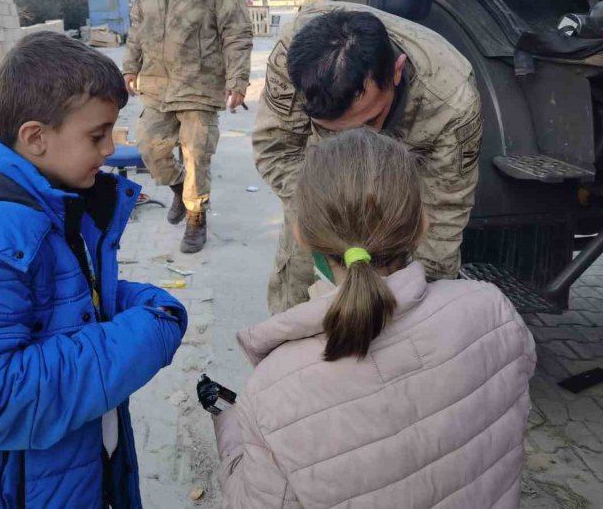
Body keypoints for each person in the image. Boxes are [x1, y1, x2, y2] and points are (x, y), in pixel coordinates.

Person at [0, 32, 188, 508]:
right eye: (97, 135)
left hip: (62, 477)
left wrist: (135, 301)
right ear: (35, 138)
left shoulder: (52, 205)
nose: (111, 149)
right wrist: (145, 333)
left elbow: (63, 300)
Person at [213, 129, 536, 508]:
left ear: (301, 235)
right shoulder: (493, 311)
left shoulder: (273, 391)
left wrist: (231, 429)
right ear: (422, 226)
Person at [253, 3, 482, 313]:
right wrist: (323, 219)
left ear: (397, 72)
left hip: (399, 218)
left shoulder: (451, 100)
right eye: (331, 131)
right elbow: (277, 149)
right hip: (321, 203)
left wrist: (421, 305)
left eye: (370, 120)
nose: (356, 140)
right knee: (296, 309)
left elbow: (445, 209)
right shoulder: (295, 53)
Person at [124, 0, 252, 254]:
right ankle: (181, 191)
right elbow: (136, 30)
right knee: (149, 148)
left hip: (200, 85)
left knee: (196, 153)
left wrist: (238, 81)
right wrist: (129, 68)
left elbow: (237, 35)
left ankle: (196, 220)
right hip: (157, 85)